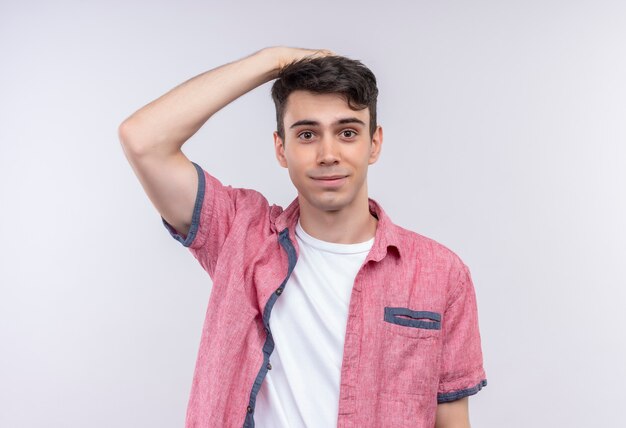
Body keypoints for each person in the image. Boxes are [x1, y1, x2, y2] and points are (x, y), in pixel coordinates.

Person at [118, 46, 487, 428]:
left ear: (374, 143)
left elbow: (451, 419)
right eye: (307, 134)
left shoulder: (441, 272)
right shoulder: (239, 236)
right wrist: (273, 60)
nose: (328, 154)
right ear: (281, 148)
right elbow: (143, 140)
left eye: (347, 132)